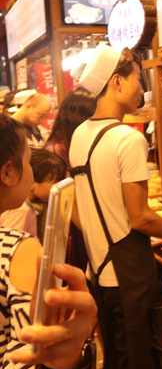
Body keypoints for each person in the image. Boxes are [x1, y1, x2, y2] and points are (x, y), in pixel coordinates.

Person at [70, 43, 162, 369]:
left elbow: (79, 208)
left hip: (100, 273)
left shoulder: (80, 134)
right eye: (137, 79)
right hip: (128, 279)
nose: (142, 88)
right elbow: (140, 216)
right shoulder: (127, 138)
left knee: (117, 363)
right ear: (117, 83)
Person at [0, 113, 98, 369]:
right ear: (8, 173)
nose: (31, 173)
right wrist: (68, 365)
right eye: (29, 161)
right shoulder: (18, 249)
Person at [45, 88, 97, 271]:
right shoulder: (56, 151)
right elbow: (65, 204)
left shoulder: (74, 145)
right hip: (71, 231)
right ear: (81, 118)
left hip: (82, 224)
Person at [0, 149, 67, 237]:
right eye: (55, 182)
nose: (59, 187)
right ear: (33, 183)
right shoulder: (21, 211)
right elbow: (9, 241)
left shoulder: (24, 207)